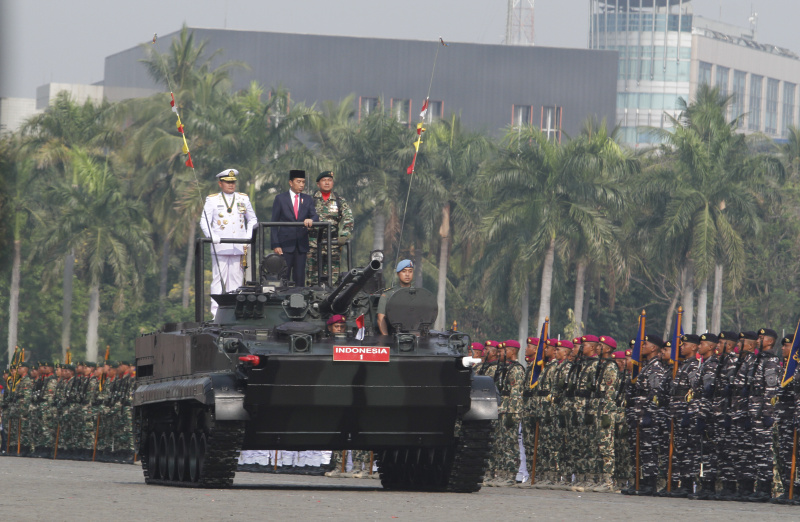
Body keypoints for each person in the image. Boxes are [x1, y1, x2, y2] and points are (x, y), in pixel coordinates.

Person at [199, 168, 258, 318]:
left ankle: (235, 312)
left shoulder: (243, 198)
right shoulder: (212, 199)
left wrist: (248, 236)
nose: (231, 185)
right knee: (218, 280)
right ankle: (216, 314)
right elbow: (204, 222)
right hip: (221, 245)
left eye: (233, 182)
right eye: (227, 182)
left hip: (238, 244)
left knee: (236, 281)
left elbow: (252, 219)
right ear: (220, 183)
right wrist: (212, 236)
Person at [271, 169, 319, 287]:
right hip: (285, 244)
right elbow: (273, 223)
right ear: (291, 183)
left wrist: (311, 220)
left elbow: (315, 215)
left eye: (303, 182)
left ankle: (299, 302)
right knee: (283, 276)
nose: (301, 185)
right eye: (298, 181)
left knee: (299, 277)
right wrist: (276, 244)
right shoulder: (280, 198)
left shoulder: (307, 199)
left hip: (301, 245)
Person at [306, 171, 354, 286]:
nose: (327, 183)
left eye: (329, 180)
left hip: (332, 243)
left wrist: (343, 235)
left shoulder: (339, 200)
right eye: (324, 180)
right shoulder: (310, 200)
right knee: (313, 277)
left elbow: (349, 217)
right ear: (318, 184)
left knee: (332, 278)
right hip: (314, 243)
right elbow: (303, 217)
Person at [376, 260, 414, 335]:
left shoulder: (418, 294)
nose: (407, 274)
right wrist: (386, 338)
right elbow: (381, 319)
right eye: (404, 271)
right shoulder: (388, 294)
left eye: (410, 271)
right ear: (398, 274)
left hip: (415, 336)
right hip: (392, 336)